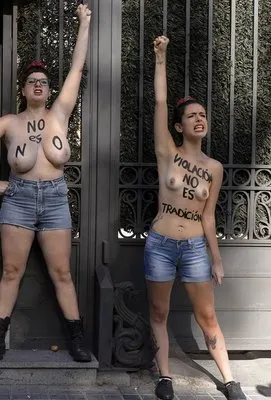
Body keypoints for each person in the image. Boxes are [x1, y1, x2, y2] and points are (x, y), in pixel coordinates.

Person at [0, 4, 92, 362]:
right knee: (12, 271)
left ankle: (76, 339)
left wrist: (84, 24)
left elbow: (77, 69)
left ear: (50, 90)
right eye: (32, 81)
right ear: (23, 89)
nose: (38, 85)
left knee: (62, 272)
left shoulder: (60, 115)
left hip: (54, 199)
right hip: (18, 198)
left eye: (43, 82)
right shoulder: (9, 122)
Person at [144, 35, 246, 400]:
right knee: (159, 311)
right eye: (191, 116)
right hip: (159, 243)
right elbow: (159, 101)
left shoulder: (214, 168)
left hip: (193, 249)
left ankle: (230, 380)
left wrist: (216, 259)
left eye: (203, 115)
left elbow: (208, 218)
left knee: (208, 317)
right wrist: (160, 58)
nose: (199, 119)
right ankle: (165, 377)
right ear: (178, 126)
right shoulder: (167, 154)